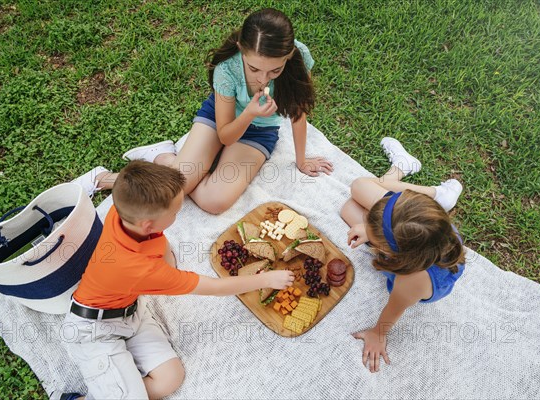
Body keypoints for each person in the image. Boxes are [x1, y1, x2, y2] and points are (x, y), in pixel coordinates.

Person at [59, 161, 294, 400]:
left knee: (171, 378)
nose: (178, 215)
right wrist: (266, 279)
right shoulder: (140, 269)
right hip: (92, 330)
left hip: (131, 311)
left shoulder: (120, 212)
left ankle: (115, 385)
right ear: (148, 224)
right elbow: (214, 287)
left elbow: (132, 188)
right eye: (175, 213)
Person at [121, 8, 333, 214]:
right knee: (174, 189)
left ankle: (178, 164)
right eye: (254, 69)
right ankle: (163, 157)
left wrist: (302, 160)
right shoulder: (226, 68)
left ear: (289, 55)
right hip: (220, 118)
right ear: (241, 48)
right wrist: (249, 112)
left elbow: (298, 111)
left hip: (259, 131)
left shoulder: (299, 57)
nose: (263, 79)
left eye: (275, 70)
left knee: (214, 201)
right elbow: (226, 135)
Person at [340, 137, 465, 373]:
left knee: (349, 208)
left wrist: (378, 333)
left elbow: (394, 309)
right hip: (407, 224)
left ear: (389, 252)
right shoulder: (425, 223)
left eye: (376, 238)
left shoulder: (412, 280)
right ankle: (434, 192)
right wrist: (372, 229)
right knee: (358, 186)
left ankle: (401, 174)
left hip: (412, 256)